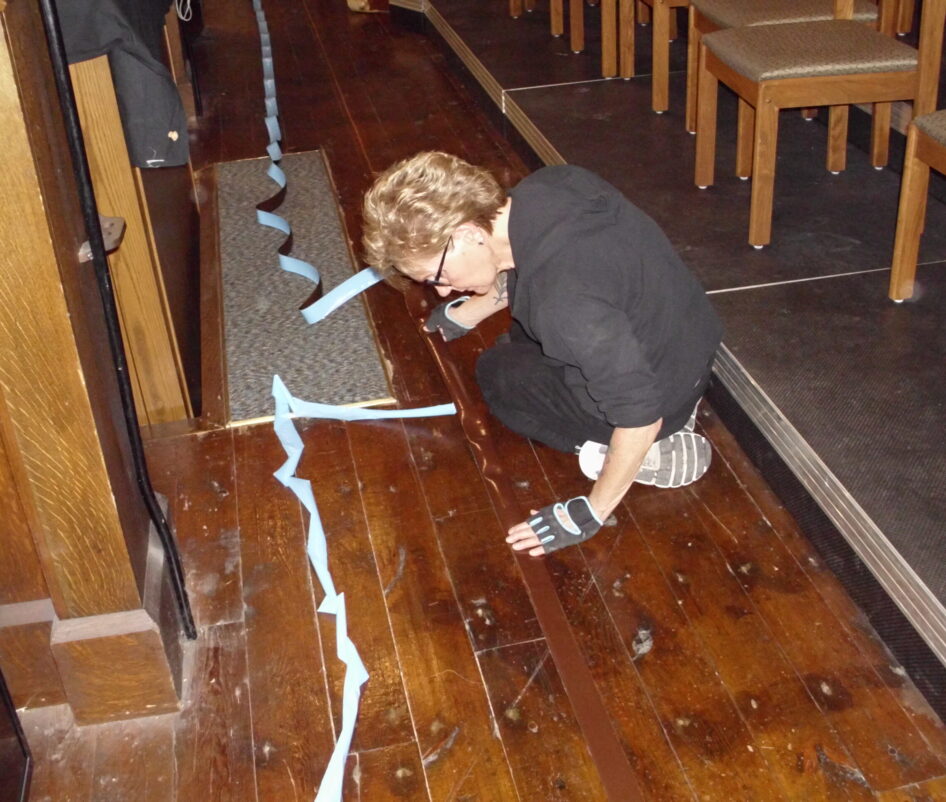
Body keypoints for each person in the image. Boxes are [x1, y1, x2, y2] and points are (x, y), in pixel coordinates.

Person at [362, 152, 723, 556]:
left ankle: (647, 454)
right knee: (524, 335)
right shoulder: (550, 186)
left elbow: (640, 416)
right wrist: (469, 312)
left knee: (499, 374)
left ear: (466, 233)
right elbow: (519, 260)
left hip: (658, 400)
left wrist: (591, 512)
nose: (443, 291)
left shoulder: (567, 304)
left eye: (438, 275)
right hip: (688, 339)